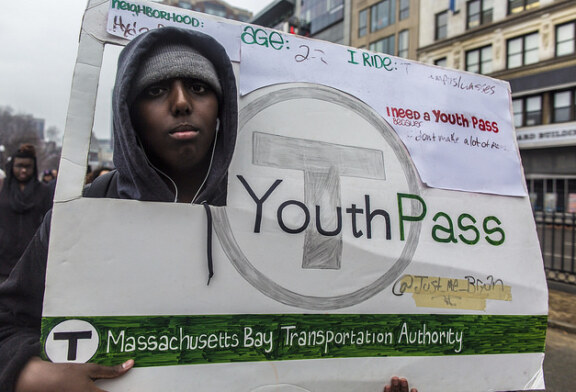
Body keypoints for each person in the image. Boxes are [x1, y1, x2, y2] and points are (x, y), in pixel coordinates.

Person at [0, 27, 416, 392]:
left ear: (222, 109)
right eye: (156, 90)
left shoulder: (284, 211)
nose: (181, 102)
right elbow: (8, 324)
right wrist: (31, 375)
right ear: (129, 113)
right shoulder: (85, 215)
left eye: (199, 89)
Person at [0, 144, 52, 282]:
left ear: (34, 167)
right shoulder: (1, 187)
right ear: (12, 166)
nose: (23, 170)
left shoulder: (44, 191)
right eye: (19, 166)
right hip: (3, 257)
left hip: (31, 257)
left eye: (28, 166)